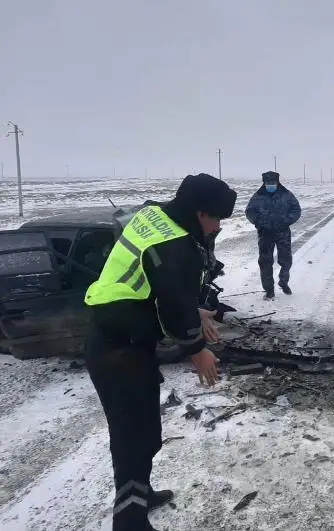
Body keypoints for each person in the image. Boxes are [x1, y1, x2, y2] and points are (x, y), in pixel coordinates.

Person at [84, 173, 237, 531]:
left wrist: (195, 311)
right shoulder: (175, 244)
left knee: (141, 431)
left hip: (120, 334)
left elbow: (152, 284)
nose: (216, 228)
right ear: (200, 213)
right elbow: (171, 304)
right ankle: (129, 520)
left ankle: (138, 493)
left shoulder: (154, 216)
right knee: (133, 435)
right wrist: (197, 349)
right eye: (216, 219)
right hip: (117, 346)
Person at [245, 171, 301, 299]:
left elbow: (296, 209)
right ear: (264, 183)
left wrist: (286, 220)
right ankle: (269, 289)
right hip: (265, 234)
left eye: (273, 183)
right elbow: (249, 211)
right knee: (265, 261)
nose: (271, 185)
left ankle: (283, 282)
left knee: (286, 260)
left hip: (283, 233)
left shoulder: (286, 195)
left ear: (277, 182)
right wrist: (258, 222)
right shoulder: (258, 196)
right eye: (268, 183)